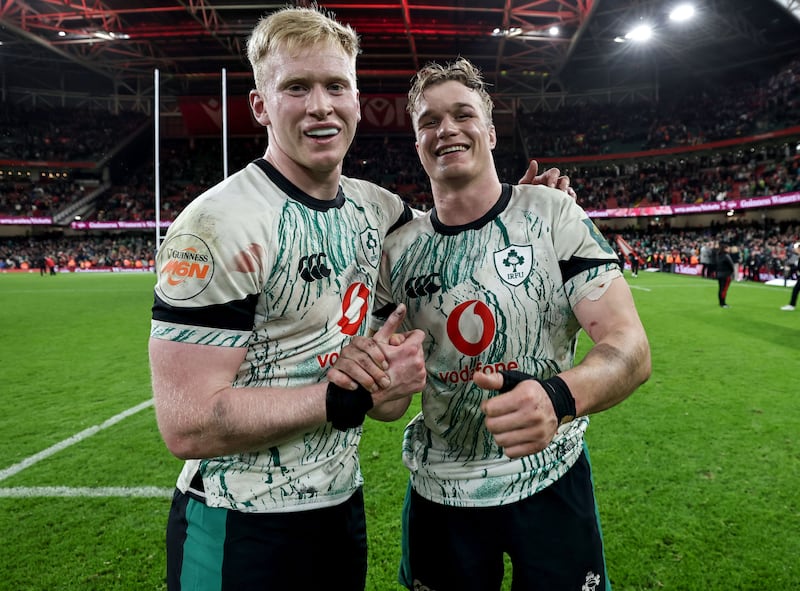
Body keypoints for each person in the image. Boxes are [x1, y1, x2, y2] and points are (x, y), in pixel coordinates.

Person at [148, 6, 572, 591]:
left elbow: (454, 228)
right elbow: (187, 423)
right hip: (240, 521)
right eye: (296, 87)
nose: (320, 105)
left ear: (355, 100)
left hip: (339, 509)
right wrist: (340, 400)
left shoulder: (376, 208)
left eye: (335, 86)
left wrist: (520, 208)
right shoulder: (220, 223)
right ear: (260, 106)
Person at [357, 57, 651, 591]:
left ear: (491, 132)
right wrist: (381, 385)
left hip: (551, 479)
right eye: (428, 121)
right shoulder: (396, 252)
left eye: (462, 114)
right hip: (442, 491)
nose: (445, 128)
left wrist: (559, 397)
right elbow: (389, 406)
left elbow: (629, 346)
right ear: (417, 143)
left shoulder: (554, 214)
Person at [780, 241, 800, 310]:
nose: (794, 249)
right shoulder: (798, 257)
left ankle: (791, 305)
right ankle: (792, 305)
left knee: (795, 290)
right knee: (795, 290)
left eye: (796, 248)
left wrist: (790, 268)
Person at [716, 242, 735, 308]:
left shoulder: (719, 255)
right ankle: (723, 303)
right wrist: (732, 272)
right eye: (728, 248)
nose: (729, 249)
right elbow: (731, 265)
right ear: (725, 249)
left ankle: (720, 302)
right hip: (726, 274)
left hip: (719, 274)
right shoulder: (726, 256)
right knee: (724, 289)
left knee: (720, 289)